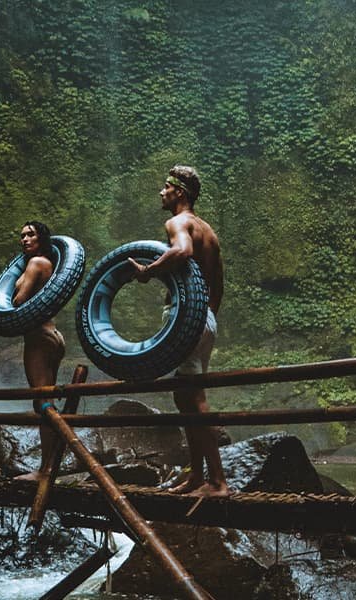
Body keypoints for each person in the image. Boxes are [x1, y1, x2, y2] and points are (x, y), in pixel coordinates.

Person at [128, 165, 229, 498]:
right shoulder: (209, 231)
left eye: (165, 187)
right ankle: (197, 476)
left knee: (194, 397)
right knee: (184, 395)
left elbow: (182, 251)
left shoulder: (178, 223)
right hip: (205, 319)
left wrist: (148, 271)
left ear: (179, 193)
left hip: (188, 318)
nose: (161, 192)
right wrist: (204, 315)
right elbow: (218, 285)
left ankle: (217, 482)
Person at [12, 221, 66, 482]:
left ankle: (46, 469)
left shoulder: (35, 264)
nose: (24, 239)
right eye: (22, 235)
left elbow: (19, 301)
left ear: (42, 239)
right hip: (53, 335)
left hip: (38, 338)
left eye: (30, 234)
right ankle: (51, 463)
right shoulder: (47, 265)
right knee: (47, 401)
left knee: (43, 402)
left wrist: (13, 297)